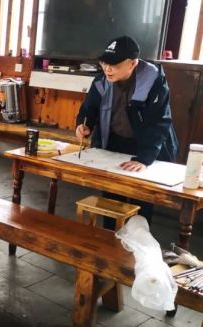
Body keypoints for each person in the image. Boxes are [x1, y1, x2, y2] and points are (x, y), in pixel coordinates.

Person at [75, 35, 178, 227]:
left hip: (145, 146)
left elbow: (158, 124)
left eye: (114, 65)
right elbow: (89, 109)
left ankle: (136, 242)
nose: (107, 69)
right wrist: (83, 125)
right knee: (111, 199)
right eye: (104, 63)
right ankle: (109, 238)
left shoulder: (154, 82)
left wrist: (144, 159)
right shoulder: (101, 81)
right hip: (113, 143)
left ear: (133, 63)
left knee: (140, 202)